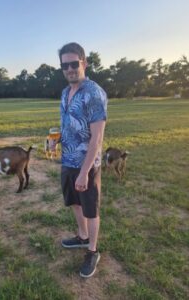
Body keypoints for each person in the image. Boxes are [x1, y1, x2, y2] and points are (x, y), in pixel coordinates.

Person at [58, 42, 108, 278]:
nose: (69, 68)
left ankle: (92, 250)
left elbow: (97, 138)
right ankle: (82, 236)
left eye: (73, 63)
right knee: (75, 203)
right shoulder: (65, 92)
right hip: (67, 160)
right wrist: (56, 140)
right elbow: (67, 125)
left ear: (84, 63)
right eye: (64, 65)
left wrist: (84, 172)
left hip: (86, 165)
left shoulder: (94, 93)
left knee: (90, 209)